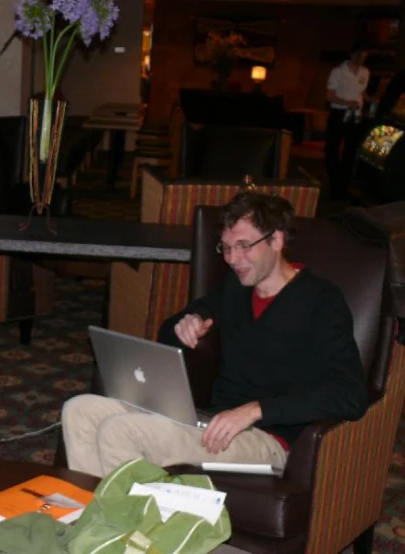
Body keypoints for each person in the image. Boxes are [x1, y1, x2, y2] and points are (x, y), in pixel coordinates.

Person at [61, 192, 368, 477]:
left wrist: (255, 411)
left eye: (244, 246)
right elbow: (171, 331)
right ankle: (93, 521)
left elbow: (350, 394)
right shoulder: (236, 287)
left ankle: (129, 531)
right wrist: (189, 321)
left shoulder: (321, 301)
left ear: (276, 239)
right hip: (211, 420)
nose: (233, 260)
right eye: (226, 248)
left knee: (120, 431)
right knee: (80, 411)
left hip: (270, 438)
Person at [324, 43, 369, 201]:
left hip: (355, 114)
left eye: (365, 56)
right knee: (332, 148)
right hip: (339, 112)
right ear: (352, 54)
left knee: (351, 149)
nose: (362, 58)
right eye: (359, 55)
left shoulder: (365, 72)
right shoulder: (338, 72)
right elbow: (329, 95)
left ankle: (343, 184)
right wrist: (346, 102)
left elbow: (361, 93)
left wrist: (368, 101)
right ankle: (334, 180)